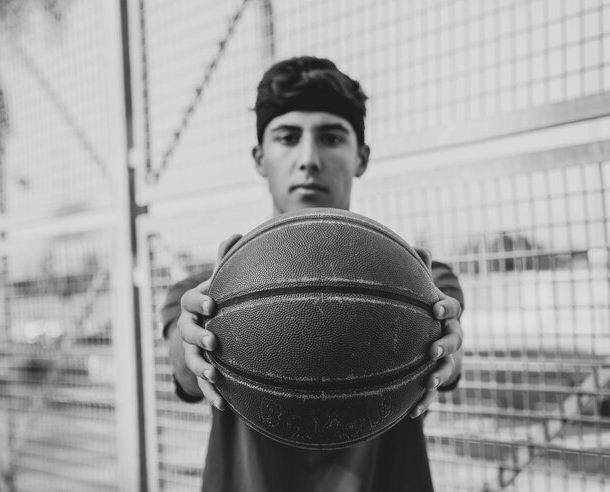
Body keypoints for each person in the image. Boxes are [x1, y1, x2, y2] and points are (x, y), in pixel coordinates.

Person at [162, 56, 464, 492]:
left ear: (360, 157)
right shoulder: (204, 287)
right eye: (287, 137)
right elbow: (183, 365)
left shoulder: (421, 279)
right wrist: (191, 345)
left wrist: (445, 358)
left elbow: (452, 356)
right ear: (260, 157)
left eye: (330, 137)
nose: (309, 158)